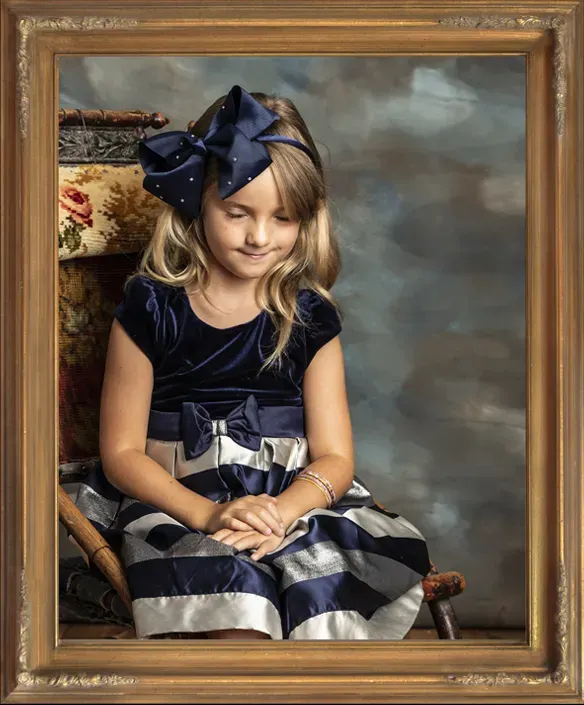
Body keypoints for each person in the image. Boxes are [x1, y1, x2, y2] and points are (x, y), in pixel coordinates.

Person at [74, 85, 432, 640]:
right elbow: (120, 453)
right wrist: (209, 515)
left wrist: (284, 512)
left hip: (292, 500)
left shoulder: (309, 317)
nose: (260, 237)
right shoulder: (151, 308)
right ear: (198, 200)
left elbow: (336, 457)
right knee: (232, 602)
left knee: (320, 592)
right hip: (178, 503)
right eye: (237, 212)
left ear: (307, 219)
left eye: (284, 218)